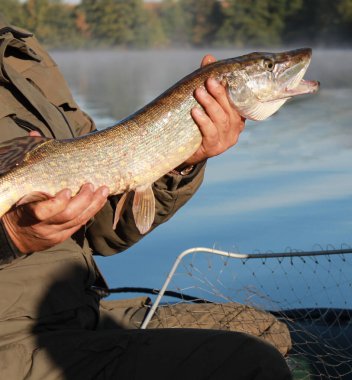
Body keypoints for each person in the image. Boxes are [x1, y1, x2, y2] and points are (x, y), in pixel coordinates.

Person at [0, 16, 292, 380]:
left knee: (259, 328)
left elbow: (104, 232)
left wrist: (182, 158)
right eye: (267, 67)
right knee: (252, 362)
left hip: (80, 313)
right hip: (12, 344)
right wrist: (11, 236)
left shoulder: (20, 54)